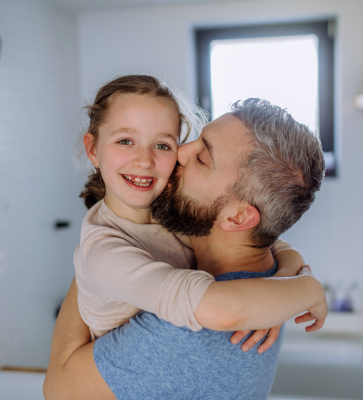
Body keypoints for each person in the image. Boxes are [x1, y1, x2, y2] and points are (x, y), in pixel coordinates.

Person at [43, 97, 327, 399]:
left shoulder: (184, 332)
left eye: (203, 158)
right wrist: (292, 276)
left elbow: (58, 388)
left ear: (238, 217)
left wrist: (94, 258)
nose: (181, 152)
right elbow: (281, 246)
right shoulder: (269, 282)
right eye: (195, 140)